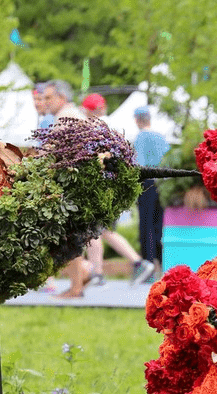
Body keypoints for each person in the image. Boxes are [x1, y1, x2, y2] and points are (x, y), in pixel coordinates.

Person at [55, 96, 155, 296]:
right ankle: (99, 272)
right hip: (111, 186)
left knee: (101, 230)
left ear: (88, 110)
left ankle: (137, 263)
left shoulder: (97, 128)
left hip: (104, 187)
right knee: (97, 231)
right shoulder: (111, 126)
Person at [133, 106, 169, 282]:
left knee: (145, 225)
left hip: (146, 183)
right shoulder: (160, 137)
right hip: (161, 184)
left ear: (137, 120)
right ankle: (163, 265)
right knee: (158, 226)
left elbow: (137, 163)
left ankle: (148, 267)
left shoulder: (140, 138)